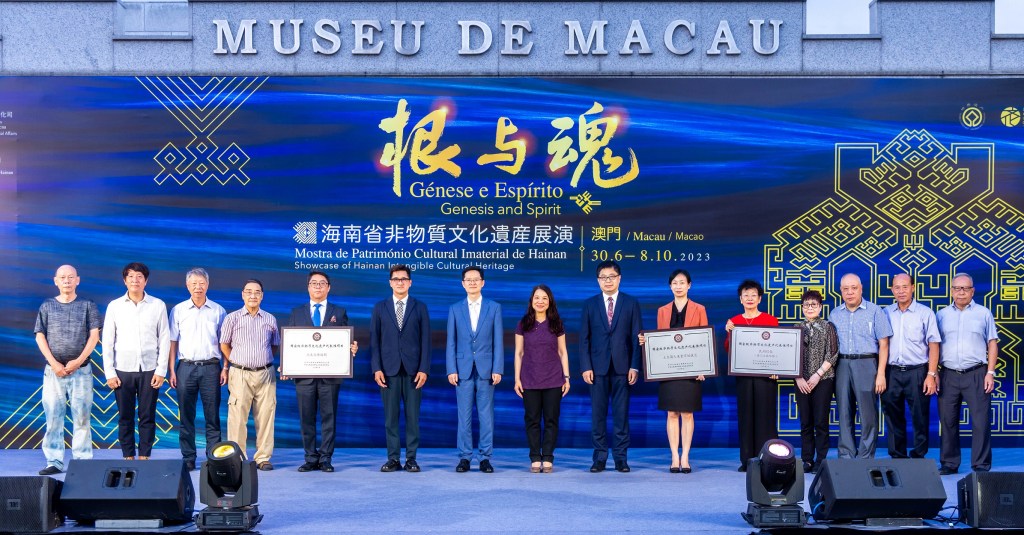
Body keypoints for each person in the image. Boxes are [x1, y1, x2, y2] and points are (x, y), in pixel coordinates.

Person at [285, 270, 357, 473]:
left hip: (330, 377)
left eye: (322, 283)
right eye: (314, 283)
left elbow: (345, 342)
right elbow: (290, 343)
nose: (318, 286)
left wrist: (351, 348)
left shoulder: (339, 312)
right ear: (308, 287)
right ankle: (310, 457)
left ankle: (325, 458)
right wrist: (287, 364)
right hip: (304, 377)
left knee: (329, 418)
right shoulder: (296, 313)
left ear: (328, 287)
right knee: (306, 418)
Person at [638, 269, 708, 474]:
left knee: (687, 413)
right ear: (670, 286)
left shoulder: (699, 309)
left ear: (689, 285)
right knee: (671, 413)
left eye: (682, 282)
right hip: (668, 368)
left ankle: (685, 456)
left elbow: (704, 338)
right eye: (675, 283)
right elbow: (660, 340)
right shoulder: (662, 310)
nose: (678, 286)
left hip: (691, 369)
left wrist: (704, 367)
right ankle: (674, 456)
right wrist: (646, 341)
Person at [35, 264, 100, 475]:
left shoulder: (88, 305)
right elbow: (40, 335)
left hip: (81, 371)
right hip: (53, 372)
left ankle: (82, 461)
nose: (66, 280)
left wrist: (77, 361)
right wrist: (54, 363)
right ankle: (54, 460)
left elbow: (94, 336)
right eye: (62, 277)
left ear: (77, 280)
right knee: (53, 417)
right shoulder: (47, 306)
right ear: (55, 281)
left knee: (82, 417)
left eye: (70, 277)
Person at [102, 262, 170, 461]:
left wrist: (161, 370)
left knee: (147, 416)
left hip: (150, 369)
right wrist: (110, 373)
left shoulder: (157, 305)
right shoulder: (114, 306)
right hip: (122, 369)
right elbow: (108, 341)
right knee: (125, 416)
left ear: (146, 281)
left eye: (139, 276)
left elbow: (164, 339)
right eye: (131, 276)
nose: (135, 280)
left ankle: (145, 456)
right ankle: (128, 455)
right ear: (125, 281)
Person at [579, 260, 643, 473]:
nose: (608, 281)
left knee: (621, 415)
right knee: (598, 416)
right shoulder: (589, 304)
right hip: (597, 369)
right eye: (603, 277)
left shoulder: (631, 303)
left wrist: (635, 366)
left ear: (619, 279)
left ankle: (621, 459)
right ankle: (599, 458)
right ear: (598, 281)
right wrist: (586, 366)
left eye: (612, 277)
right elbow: (584, 339)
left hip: (623, 368)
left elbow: (636, 338)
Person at [936, 273, 999, 475]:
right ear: (951, 291)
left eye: (965, 288)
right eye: (957, 288)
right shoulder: (941, 315)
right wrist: (933, 372)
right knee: (948, 421)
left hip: (977, 373)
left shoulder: (984, 313)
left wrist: (990, 372)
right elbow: (934, 345)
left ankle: (980, 464)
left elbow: (992, 343)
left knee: (980, 421)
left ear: (973, 291)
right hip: (948, 374)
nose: (961, 292)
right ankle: (949, 463)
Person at [371, 264, 431, 473]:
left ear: (410, 282)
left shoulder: (420, 307)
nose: (400, 282)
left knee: (413, 418)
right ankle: (393, 459)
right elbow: (375, 341)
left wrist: (424, 369)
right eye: (396, 279)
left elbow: (426, 340)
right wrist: (377, 368)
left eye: (403, 279)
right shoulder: (380, 307)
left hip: (414, 371)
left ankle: (411, 459)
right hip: (388, 371)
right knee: (391, 418)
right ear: (390, 283)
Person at [446, 266, 504, 473]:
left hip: (486, 369)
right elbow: (451, 342)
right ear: (463, 284)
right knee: (464, 416)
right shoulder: (455, 308)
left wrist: (498, 368)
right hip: (462, 369)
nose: (472, 282)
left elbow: (498, 341)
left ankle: (485, 458)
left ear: (482, 283)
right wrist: (451, 369)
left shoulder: (494, 307)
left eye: (476, 279)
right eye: (468, 280)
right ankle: (465, 457)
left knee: (486, 416)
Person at [168, 267, 227, 472]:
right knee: (186, 416)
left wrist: (225, 367)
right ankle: (188, 457)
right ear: (187, 285)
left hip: (211, 368)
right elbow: (173, 342)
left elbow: (224, 343)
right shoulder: (178, 310)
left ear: (207, 285)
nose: (198, 287)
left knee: (213, 416)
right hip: (186, 367)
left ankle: (213, 457)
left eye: (201, 283)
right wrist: (172, 370)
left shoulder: (218, 311)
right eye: (194, 283)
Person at [829, 273, 892, 459]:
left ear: (861, 289)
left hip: (867, 363)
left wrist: (881, 373)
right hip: (841, 364)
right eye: (845, 289)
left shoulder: (875, 311)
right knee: (844, 411)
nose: (850, 292)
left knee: (868, 413)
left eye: (854, 288)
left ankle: (865, 456)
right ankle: (846, 455)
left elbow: (884, 344)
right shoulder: (835, 314)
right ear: (841, 291)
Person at [219, 279, 280, 471]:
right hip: (240, 373)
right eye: (249, 292)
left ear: (262, 296)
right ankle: (238, 458)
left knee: (266, 416)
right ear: (243, 295)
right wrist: (238, 362)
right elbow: (224, 344)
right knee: (237, 418)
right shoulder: (232, 318)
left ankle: (263, 458)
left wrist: (261, 360)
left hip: (266, 373)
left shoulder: (270, 319)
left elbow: (274, 345)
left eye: (257, 292)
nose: (253, 295)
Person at [882, 273, 940, 461]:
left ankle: (918, 455)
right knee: (892, 415)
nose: (901, 291)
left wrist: (931, 374)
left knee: (920, 416)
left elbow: (933, 344)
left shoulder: (925, 313)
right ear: (892, 290)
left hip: (918, 371)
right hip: (891, 372)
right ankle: (897, 455)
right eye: (897, 287)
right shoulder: (885, 313)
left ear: (913, 288)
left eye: (905, 287)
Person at [514, 285, 570, 473]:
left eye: (544, 298)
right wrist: (517, 379)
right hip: (529, 379)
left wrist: (567, 377)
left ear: (550, 301)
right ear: (531, 301)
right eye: (537, 298)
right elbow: (519, 353)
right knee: (532, 420)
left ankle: (547, 457)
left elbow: (563, 352)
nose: (540, 301)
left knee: (552, 419)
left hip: (554, 379)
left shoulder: (556, 323)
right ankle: (535, 457)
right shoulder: (523, 324)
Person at [725, 279, 779, 471]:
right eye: (746, 295)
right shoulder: (734, 321)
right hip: (743, 376)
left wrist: (777, 369)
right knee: (746, 417)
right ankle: (747, 460)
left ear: (760, 298)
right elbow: (729, 350)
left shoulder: (770, 320)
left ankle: (769, 460)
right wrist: (729, 333)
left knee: (766, 417)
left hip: (766, 377)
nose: (749, 298)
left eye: (753, 295)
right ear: (740, 299)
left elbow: (778, 349)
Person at [794, 289, 838, 474]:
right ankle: (807, 460)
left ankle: (821, 460)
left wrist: (818, 374)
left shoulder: (828, 327)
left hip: (823, 380)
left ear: (820, 307)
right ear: (802, 307)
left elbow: (833, 353)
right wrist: (798, 377)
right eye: (806, 305)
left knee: (820, 421)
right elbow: (790, 356)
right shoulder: (796, 328)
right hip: (801, 381)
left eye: (814, 304)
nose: (810, 308)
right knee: (805, 422)